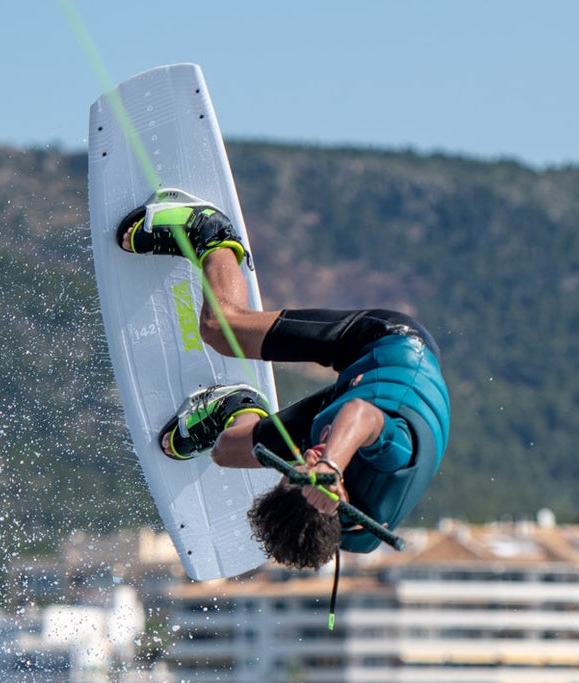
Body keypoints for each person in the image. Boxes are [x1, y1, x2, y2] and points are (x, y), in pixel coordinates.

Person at [117, 188, 451, 570]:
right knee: (219, 329)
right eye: (307, 471)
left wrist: (310, 471)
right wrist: (329, 465)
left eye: (292, 475)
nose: (304, 459)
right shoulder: (394, 460)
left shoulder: (353, 535)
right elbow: (361, 414)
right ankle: (210, 233)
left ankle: (236, 405)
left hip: (343, 415)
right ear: (338, 496)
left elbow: (303, 505)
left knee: (227, 450)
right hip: (387, 351)